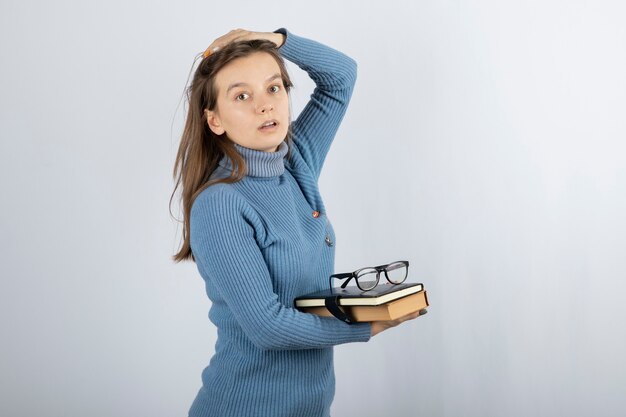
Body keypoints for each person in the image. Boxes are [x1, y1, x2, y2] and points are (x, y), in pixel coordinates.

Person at [171, 27, 424, 417]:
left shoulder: (296, 161)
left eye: (274, 88)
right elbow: (268, 327)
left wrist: (275, 40)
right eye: (242, 95)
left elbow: (341, 76)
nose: (265, 105)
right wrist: (366, 326)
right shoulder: (220, 204)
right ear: (214, 120)